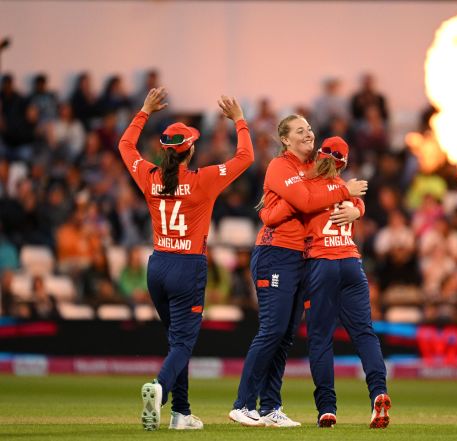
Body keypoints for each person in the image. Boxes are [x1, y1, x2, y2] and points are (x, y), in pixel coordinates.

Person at [118, 88, 253, 431]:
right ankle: (159, 391)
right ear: (190, 150)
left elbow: (125, 146)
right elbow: (246, 158)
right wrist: (239, 120)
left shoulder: (149, 177)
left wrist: (144, 110)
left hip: (158, 265)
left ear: (164, 151)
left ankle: (181, 413)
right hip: (187, 267)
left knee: (176, 342)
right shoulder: (203, 180)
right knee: (183, 342)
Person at [228, 116, 367, 428]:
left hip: (301, 258)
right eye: (300, 130)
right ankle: (243, 404)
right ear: (286, 140)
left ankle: (270, 407)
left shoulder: (314, 168)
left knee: (286, 335)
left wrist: (355, 206)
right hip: (275, 253)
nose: (308, 133)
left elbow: (306, 202)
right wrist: (339, 191)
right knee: (272, 330)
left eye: (309, 129)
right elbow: (306, 201)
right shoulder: (281, 166)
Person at [260, 137, 390, 429]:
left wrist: (266, 212)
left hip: (321, 264)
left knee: (320, 339)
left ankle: (327, 409)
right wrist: (358, 209)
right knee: (365, 334)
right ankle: (379, 392)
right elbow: (357, 205)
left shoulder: (307, 187)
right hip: (352, 264)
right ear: (344, 163)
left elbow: (282, 211)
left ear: (319, 156)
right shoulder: (350, 193)